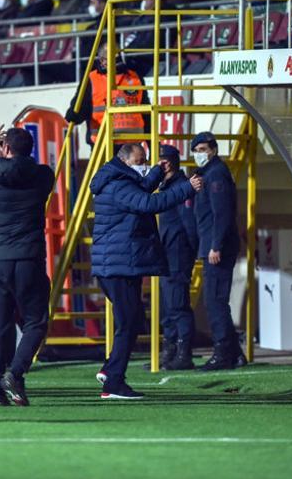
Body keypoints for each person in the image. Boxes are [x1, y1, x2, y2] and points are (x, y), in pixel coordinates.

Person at [90, 143, 202, 399]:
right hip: (118, 265)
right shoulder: (119, 184)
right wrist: (186, 188)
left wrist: (156, 174)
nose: (144, 164)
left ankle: (111, 371)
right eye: (141, 161)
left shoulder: (118, 178)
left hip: (117, 264)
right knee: (129, 322)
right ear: (125, 161)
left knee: (130, 319)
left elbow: (139, 190)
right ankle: (113, 380)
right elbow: (147, 203)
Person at [0, 128, 54, 407]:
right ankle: (16, 372)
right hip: (29, 257)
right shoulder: (42, 176)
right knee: (36, 321)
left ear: (5, 149)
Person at [190, 131, 247, 371]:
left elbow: (221, 214)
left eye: (203, 149)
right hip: (211, 244)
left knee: (215, 301)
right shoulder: (207, 174)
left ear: (213, 149)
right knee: (215, 299)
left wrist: (215, 245)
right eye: (197, 150)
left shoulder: (216, 175)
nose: (199, 154)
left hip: (216, 247)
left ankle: (223, 353)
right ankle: (234, 353)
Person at [157, 145, 199, 371]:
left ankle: (183, 354)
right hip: (167, 253)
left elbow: (188, 224)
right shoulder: (167, 186)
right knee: (167, 306)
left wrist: (189, 253)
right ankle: (169, 352)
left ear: (168, 163)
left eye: (161, 161)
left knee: (177, 304)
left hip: (178, 253)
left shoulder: (183, 187)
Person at [65, 41, 150, 147]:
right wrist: (73, 115)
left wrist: (152, 145)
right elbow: (81, 107)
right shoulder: (92, 79)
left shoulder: (136, 78)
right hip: (104, 145)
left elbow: (146, 114)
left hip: (130, 146)